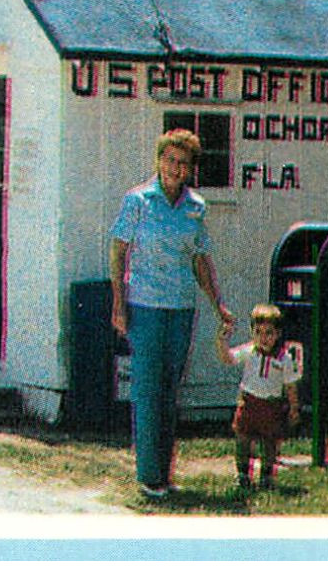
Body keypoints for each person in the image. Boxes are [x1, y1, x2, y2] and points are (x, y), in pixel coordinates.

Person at [109, 128, 235, 500]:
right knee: (148, 389)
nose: (176, 168)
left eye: (183, 163)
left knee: (170, 391)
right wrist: (119, 303)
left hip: (181, 307)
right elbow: (118, 253)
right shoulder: (138, 201)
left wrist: (217, 302)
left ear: (191, 168)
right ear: (158, 161)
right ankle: (149, 477)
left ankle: (165, 472)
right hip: (144, 306)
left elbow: (200, 259)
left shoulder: (196, 206)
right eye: (170, 160)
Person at [215, 303, 302, 491]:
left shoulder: (284, 358)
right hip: (248, 403)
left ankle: (266, 476)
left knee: (269, 443)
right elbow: (229, 358)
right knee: (243, 439)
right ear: (252, 332)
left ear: (277, 334)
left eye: (269, 333)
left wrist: (294, 408)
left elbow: (290, 385)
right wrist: (222, 342)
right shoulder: (249, 351)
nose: (263, 338)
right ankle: (242, 475)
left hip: (271, 406)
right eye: (258, 332)